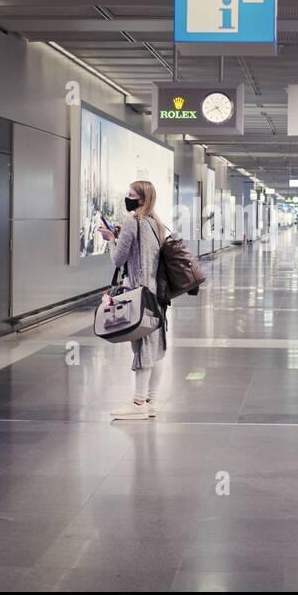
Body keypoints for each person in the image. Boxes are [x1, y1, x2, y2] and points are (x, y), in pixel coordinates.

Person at [99, 180, 168, 420]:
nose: (126, 197)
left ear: (140, 199)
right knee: (155, 347)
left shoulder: (132, 222)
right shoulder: (156, 224)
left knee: (142, 347)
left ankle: (138, 404)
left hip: (138, 295)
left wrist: (110, 239)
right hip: (156, 295)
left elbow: (119, 260)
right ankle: (151, 401)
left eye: (130, 194)